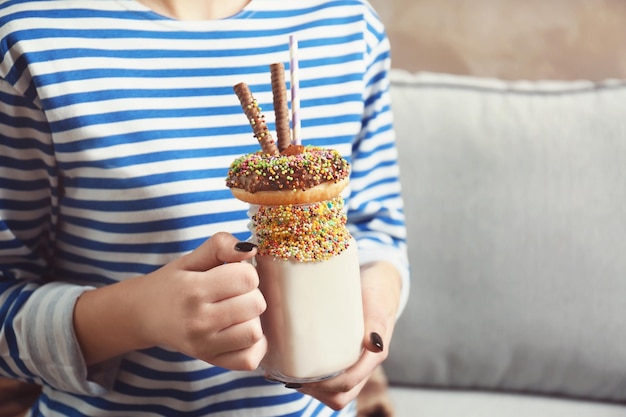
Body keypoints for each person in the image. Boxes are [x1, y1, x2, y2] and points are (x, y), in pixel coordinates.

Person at [0, 0, 409, 415]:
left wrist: (372, 317)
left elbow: (378, 230)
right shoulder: (29, 35)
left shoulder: (348, 22)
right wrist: (144, 313)